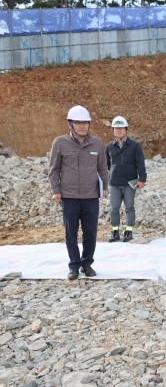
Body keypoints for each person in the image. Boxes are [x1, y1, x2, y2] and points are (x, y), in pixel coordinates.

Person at [48, 105, 109, 280]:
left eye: (85, 123)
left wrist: (104, 187)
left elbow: (103, 168)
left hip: (91, 196)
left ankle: (87, 263)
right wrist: (56, 190)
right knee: (71, 233)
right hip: (69, 197)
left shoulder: (97, 143)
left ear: (89, 124)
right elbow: (53, 170)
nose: (82, 126)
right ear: (70, 124)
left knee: (90, 233)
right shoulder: (59, 143)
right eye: (78, 123)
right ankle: (74, 265)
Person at [105, 116, 147, 243]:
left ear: (126, 129)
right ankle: (115, 231)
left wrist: (142, 179)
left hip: (130, 183)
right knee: (114, 208)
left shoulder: (134, 146)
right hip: (114, 183)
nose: (118, 130)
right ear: (113, 130)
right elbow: (106, 165)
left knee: (129, 207)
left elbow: (140, 164)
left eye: (121, 128)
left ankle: (128, 232)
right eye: (116, 128)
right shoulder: (109, 147)